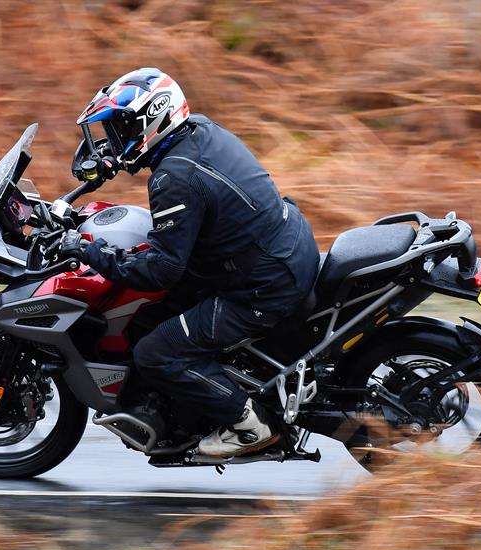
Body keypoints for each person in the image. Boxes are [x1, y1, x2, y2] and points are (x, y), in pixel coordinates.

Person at [61, 67, 320, 457]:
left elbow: (161, 270)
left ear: (151, 121)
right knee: (160, 309)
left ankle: (249, 424)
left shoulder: (173, 179)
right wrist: (113, 163)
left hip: (263, 284)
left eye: (120, 130)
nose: (113, 141)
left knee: (156, 352)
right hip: (280, 246)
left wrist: (87, 250)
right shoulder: (198, 130)